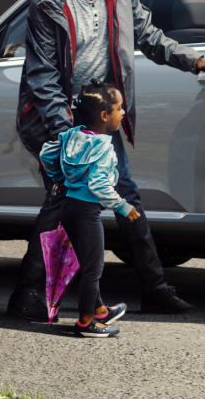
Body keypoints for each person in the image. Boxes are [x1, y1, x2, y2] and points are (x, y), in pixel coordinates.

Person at [7, 0, 205, 320]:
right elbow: (43, 77)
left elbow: (147, 33)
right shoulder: (49, 2)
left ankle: (155, 288)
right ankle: (26, 294)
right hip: (57, 119)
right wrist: (69, 136)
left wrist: (190, 60)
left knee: (126, 195)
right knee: (61, 200)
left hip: (98, 113)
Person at [40, 81, 137, 337]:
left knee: (85, 262)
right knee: (93, 268)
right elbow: (98, 184)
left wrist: (58, 178)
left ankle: (101, 311)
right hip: (86, 214)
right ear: (104, 116)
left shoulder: (72, 135)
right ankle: (86, 322)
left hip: (68, 209)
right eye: (119, 108)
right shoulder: (104, 146)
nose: (123, 113)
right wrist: (123, 206)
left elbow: (47, 154)